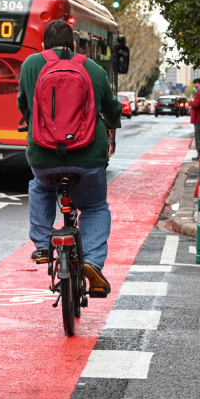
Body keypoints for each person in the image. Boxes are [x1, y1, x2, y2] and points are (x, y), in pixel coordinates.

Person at [17, 20, 120, 296]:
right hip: (88, 157)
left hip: (43, 154)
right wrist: (113, 122)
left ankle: (41, 244)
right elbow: (111, 107)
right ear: (74, 43)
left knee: (40, 186)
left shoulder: (30, 65)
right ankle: (92, 262)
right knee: (95, 207)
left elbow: (24, 104)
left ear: (43, 45)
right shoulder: (94, 69)